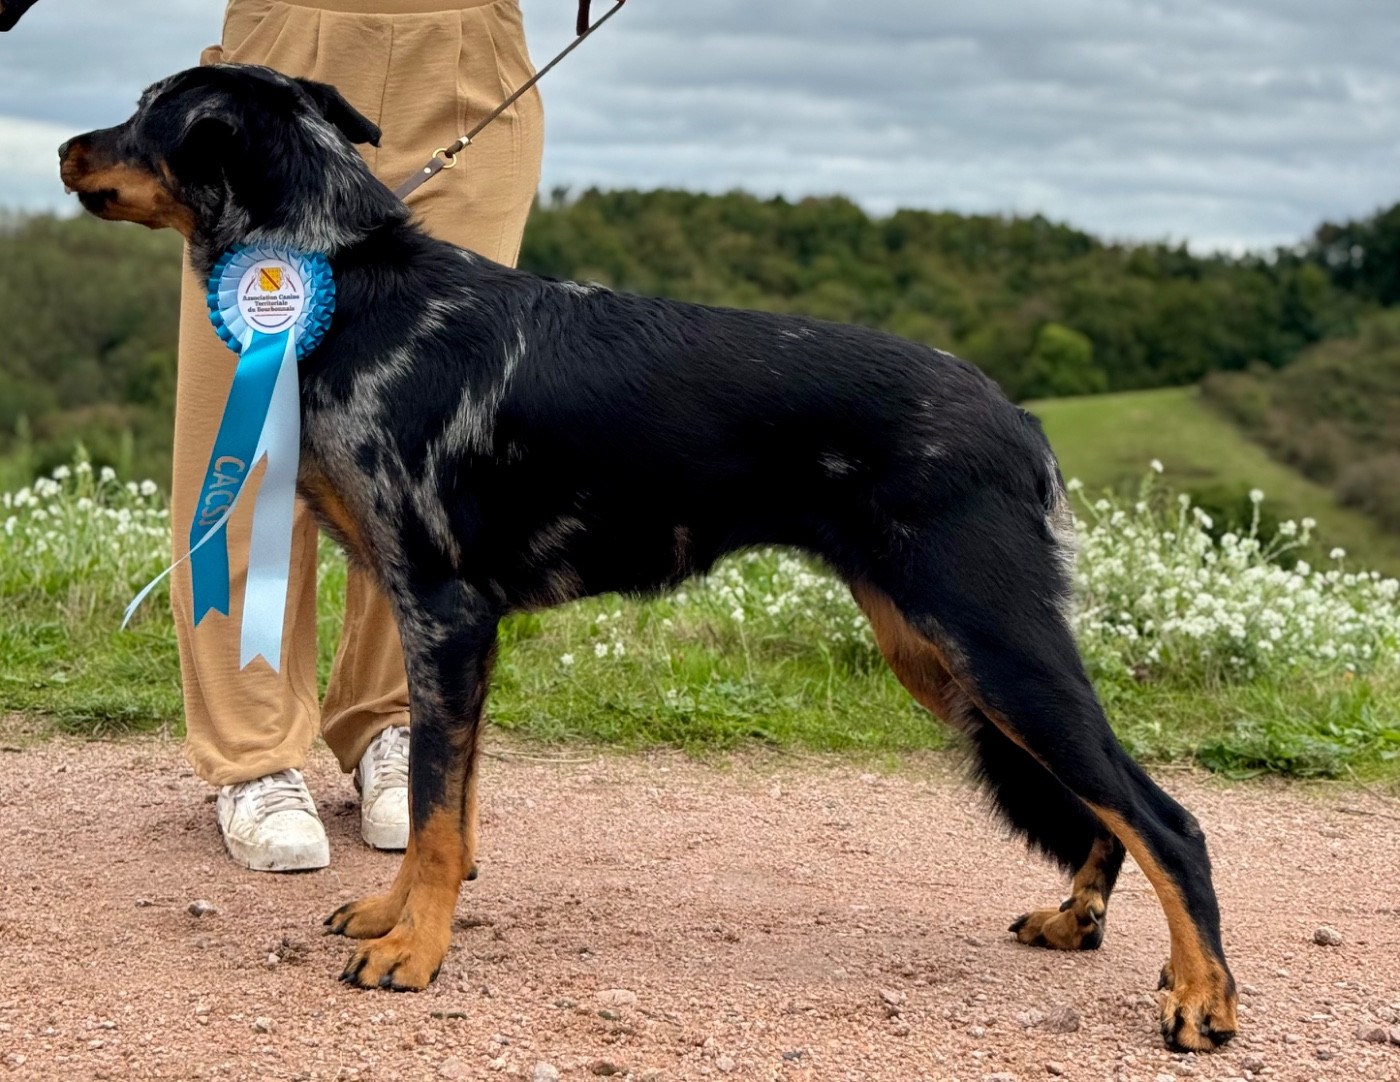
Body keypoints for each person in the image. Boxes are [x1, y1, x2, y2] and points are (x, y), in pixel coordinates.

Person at [171, 0, 544, 870]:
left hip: (472, 57)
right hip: (286, 45)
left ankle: (394, 719)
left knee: (431, 441)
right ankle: (254, 751)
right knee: (245, 422)